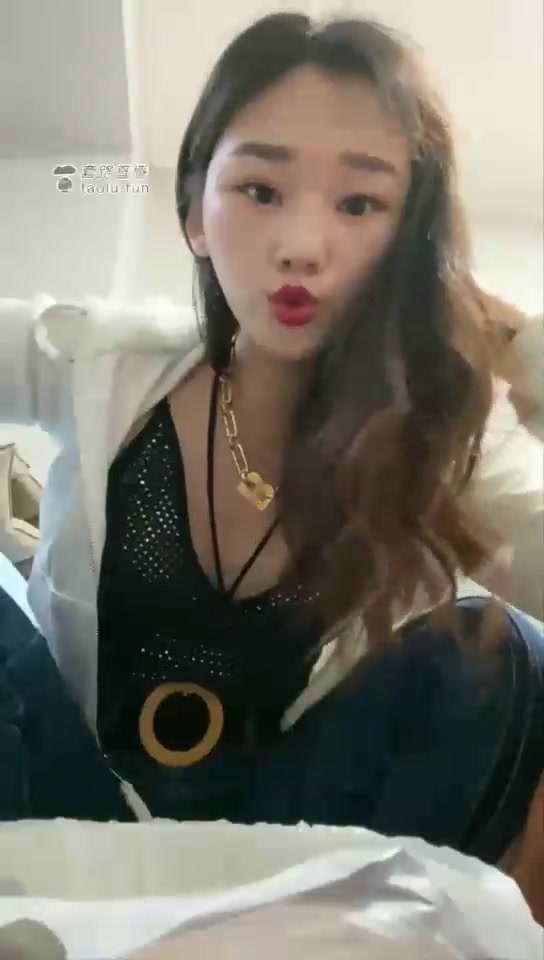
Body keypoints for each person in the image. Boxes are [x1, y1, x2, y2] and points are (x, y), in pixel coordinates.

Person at [0, 10, 543, 913]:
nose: (301, 245)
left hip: (279, 866)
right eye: (259, 189)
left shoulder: (448, 443)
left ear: (409, 241)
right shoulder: (107, 364)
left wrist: (521, 347)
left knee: (500, 653)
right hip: (68, 814)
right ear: (194, 216)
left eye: (359, 204)